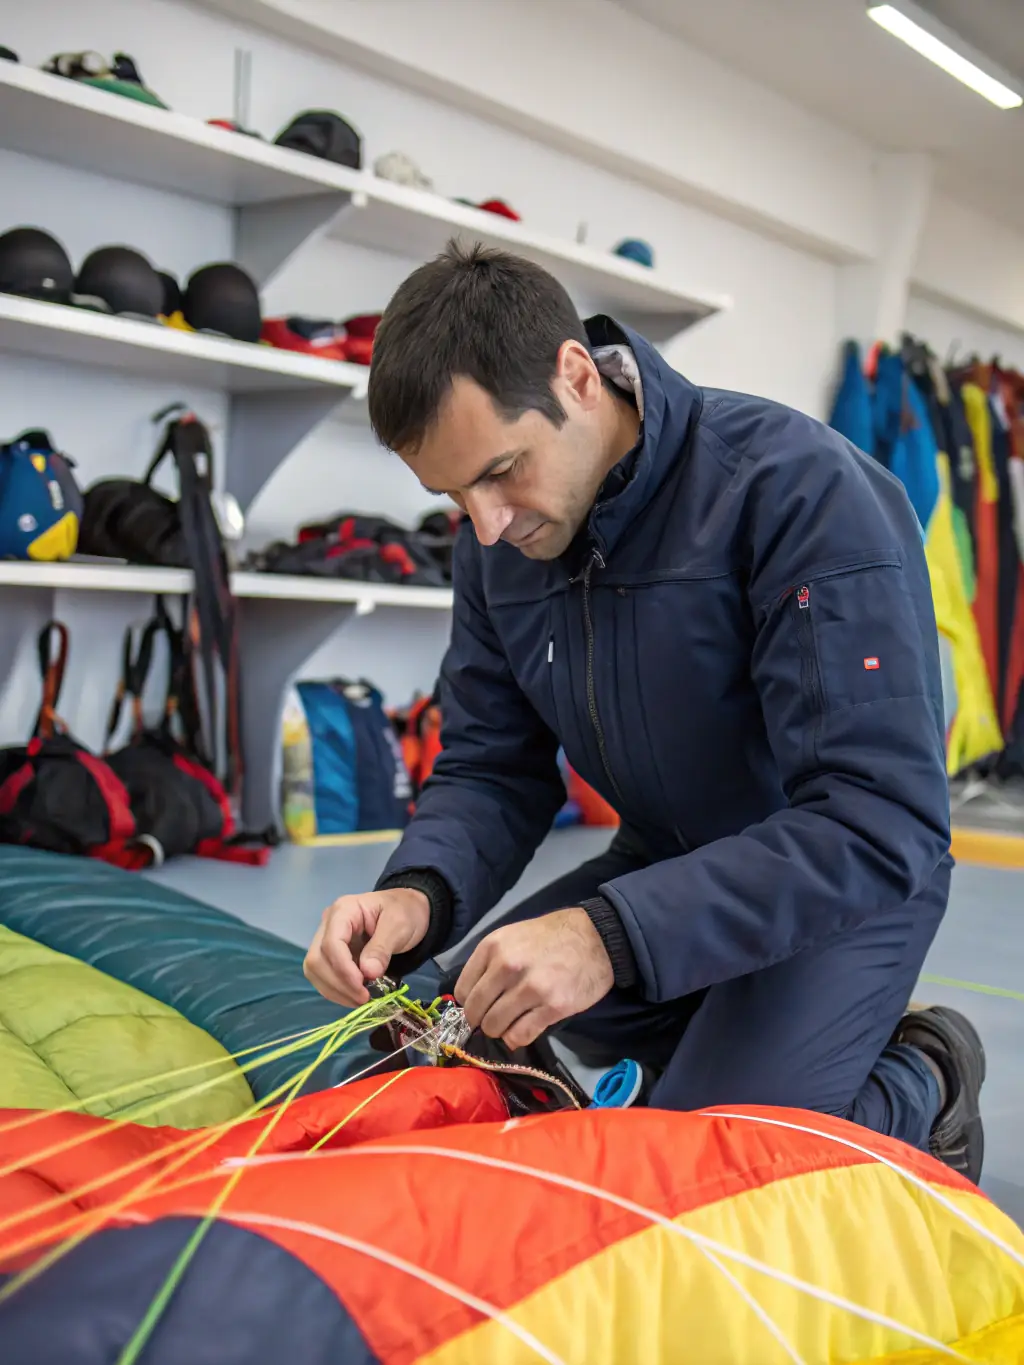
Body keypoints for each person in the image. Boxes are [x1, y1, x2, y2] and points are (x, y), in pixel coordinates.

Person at [304, 241, 985, 1180]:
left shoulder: (802, 491)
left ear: (577, 376)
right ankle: (722, 1053)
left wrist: (608, 935)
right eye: (454, 496)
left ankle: (921, 1079)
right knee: (417, 1040)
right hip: (667, 870)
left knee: (694, 1176)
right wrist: (415, 893)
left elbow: (877, 819)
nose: (487, 523)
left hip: (843, 888)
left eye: (502, 470)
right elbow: (493, 767)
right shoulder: (497, 543)